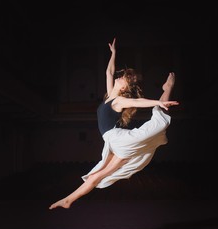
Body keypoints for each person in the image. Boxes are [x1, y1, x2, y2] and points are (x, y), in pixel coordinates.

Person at [49, 38, 178, 210]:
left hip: (118, 139)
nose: (119, 77)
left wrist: (157, 102)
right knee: (98, 175)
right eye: (121, 76)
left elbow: (138, 102)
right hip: (113, 144)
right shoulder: (110, 95)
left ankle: (168, 88)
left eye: (123, 78)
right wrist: (114, 53)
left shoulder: (119, 100)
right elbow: (109, 72)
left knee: (158, 119)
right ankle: (68, 200)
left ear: (124, 88)